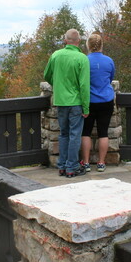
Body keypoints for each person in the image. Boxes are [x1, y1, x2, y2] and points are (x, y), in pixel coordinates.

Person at [44, 29, 90, 178]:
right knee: (75, 135)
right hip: (76, 102)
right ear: (78, 42)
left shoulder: (56, 55)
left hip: (60, 101)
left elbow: (47, 75)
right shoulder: (82, 58)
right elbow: (84, 85)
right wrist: (86, 107)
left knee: (63, 134)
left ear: (65, 40)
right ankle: (72, 167)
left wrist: (58, 86)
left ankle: (62, 166)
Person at [80, 33, 115, 172]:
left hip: (89, 101)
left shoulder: (84, 61)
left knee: (86, 132)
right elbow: (111, 78)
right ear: (102, 45)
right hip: (106, 100)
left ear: (88, 45)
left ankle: (86, 163)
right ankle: (101, 163)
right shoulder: (109, 61)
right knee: (103, 132)